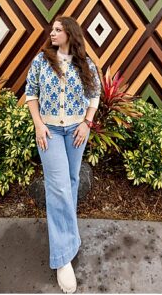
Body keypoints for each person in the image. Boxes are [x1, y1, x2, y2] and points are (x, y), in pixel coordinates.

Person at [24, 18, 100, 295]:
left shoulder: (85, 63)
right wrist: (39, 125)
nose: (52, 33)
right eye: (52, 30)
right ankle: (63, 257)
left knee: (70, 182)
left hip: (77, 130)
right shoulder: (42, 60)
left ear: (70, 33)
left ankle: (68, 239)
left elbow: (95, 94)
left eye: (58, 29)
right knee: (57, 188)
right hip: (51, 132)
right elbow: (30, 92)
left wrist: (86, 123)